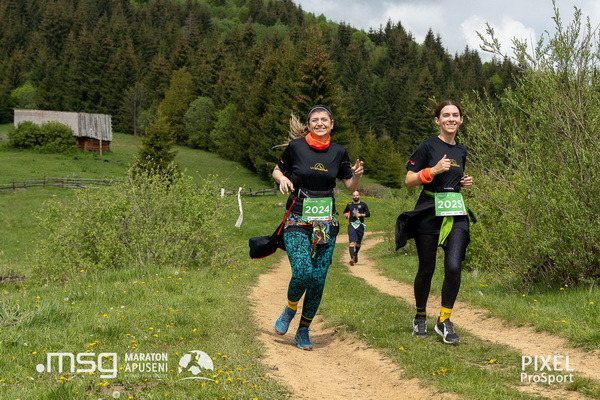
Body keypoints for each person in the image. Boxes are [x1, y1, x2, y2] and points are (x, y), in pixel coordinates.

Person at [272, 105, 364, 350]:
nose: (320, 123)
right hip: (297, 218)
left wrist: (357, 175)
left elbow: (349, 185)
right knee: (303, 271)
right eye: (315, 120)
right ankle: (290, 308)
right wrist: (282, 178)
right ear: (308, 124)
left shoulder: (338, 151)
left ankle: (303, 330)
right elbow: (277, 170)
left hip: (325, 223)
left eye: (324, 120)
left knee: (318, 278)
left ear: (332, 124)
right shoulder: (296, 147)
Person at [395, 99, 474, 344]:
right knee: (426, 268)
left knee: (454, 266)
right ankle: (420, 316)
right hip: (428, 211)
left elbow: (453, 177)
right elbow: (409, 180)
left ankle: (444, 320)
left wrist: (462, 182)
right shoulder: (427, 146)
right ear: (437, 120)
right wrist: (432, 171)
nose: (451, 119)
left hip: (455, 211)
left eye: (455, 115)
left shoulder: (461, 150)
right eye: (446, 115)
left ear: (461, 120)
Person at [343, 191, 370, 266]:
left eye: (357, 195)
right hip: (351, 224)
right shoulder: (349, 205)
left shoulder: (363, 204)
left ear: (359, 196)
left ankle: (356, 254)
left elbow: (368, 214)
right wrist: (346, 215)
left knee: (358, 243)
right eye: (354, 195)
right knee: (351, 242)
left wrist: (360, 215)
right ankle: (351, 259)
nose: (355, 196)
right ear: (352, 196)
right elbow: (345, 212)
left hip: (360, 225)